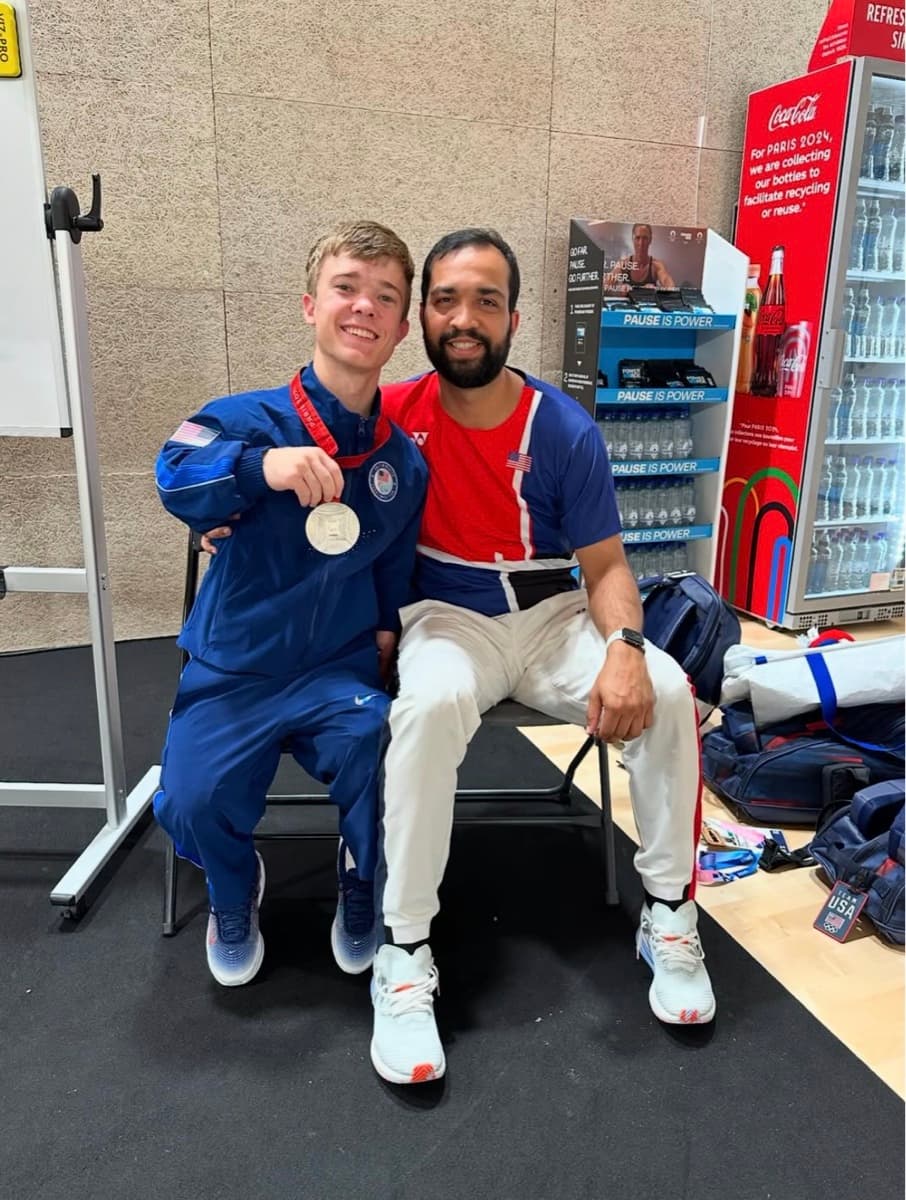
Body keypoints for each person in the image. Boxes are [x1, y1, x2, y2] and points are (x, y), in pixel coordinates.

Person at [368, 228, 714, 1085]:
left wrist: (630, 649)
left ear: (514, 317)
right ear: (422, 316)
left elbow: (605, 567)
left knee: (669, 690)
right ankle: (404, 951)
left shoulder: (563, 427)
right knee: (428, 705)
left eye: (486, 299)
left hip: (556, 615)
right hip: (448, 615)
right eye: (447, 298)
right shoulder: (391, 415)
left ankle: (669, 913)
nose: (465, 317)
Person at [153, 221, 427, 988]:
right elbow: (172, 474)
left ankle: (361, 878)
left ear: (403, 327)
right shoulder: (242, 419)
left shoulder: (401, 462)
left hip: (335, 667)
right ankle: (235, 891)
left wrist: (382, 643)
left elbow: (393, 570)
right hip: (235, 664)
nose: (363, 308)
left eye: (384, 297)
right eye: (346, 288)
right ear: (311, 304)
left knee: (387, 749)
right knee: (192, 799)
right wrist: (258, 468)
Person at [602, 222, 675, 293]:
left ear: (650, 240)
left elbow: (671, 287)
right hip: (627, 305)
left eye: (645, 238)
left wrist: (656, 290)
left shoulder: (656, 265)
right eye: (638, 238)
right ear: (633, 239)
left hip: (649, 304)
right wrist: (619, 289)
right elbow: (604, 287)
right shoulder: (624, 264)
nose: (641, 243)